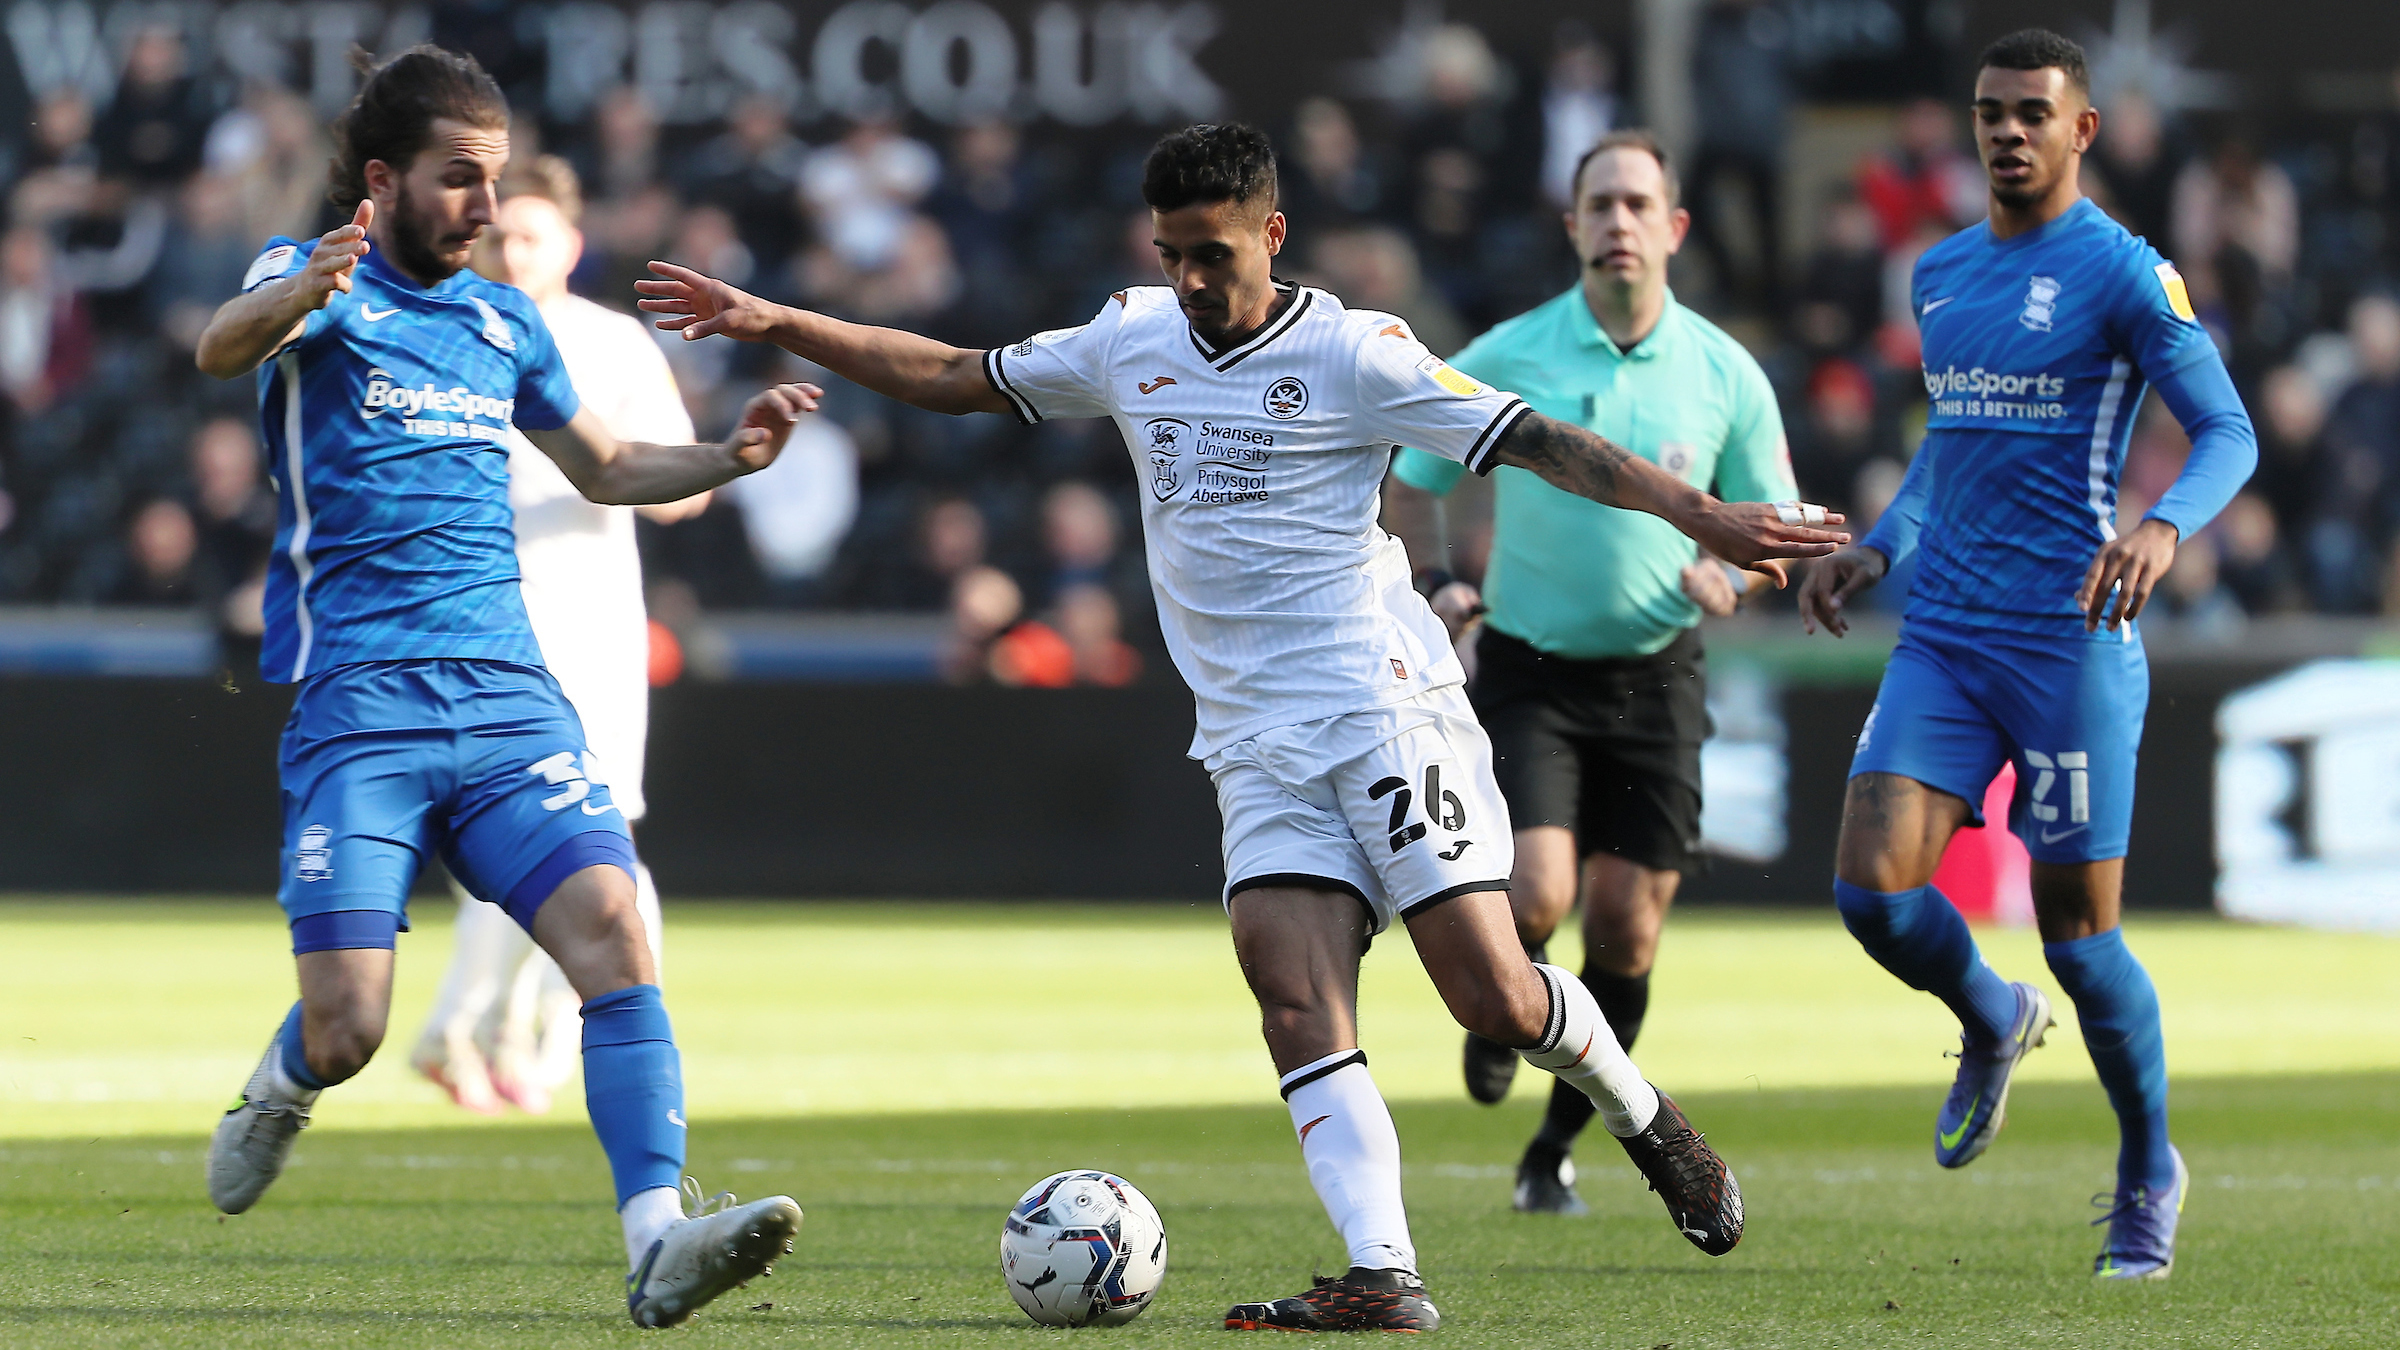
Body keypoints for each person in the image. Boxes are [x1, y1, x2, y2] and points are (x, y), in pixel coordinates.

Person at [640, 122, 1849, 1333]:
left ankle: (1644, 1116)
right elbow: (955, 371)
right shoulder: (1133, 338)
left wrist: (1706, 517)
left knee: (1489, 994)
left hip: (1380, 707)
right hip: (1250, 737)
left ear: (1272, 234)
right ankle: (1385, 1275)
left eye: (1212, 253)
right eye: (1170, 253)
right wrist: (776, 319)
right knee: (1290, 997)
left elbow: (1537, 441)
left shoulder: (1358, 352)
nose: (1191, 280)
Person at [192, 46, 812, 1328]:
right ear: (382, 181)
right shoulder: (312, 278)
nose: (486, 206)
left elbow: (602, 466)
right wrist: (298, 288)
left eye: (493, 178)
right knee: (352, 1024)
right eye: (459, 179)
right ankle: (288, 1079)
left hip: (507, 698)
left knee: (615, 931)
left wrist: (729, 455)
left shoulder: (505, 321)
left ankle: (658, 1235)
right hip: (358, 706)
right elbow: (217, 348)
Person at [1797, 30, 2257, 1281]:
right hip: (1943, 631)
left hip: (2067, 643)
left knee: (2081, 940)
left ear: (2081, 131)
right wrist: (1880, 550)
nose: (2007, 132)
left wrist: (2164, 524)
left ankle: (2147, 1168)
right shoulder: (1940, 273)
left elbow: (2227, 429)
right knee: (1873, 896)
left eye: (2032, 114)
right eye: (1991, 112)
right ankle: (1989, 1015)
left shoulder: (2124, 273)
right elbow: (1952, 449)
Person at [1389, 130, 1794, 1215]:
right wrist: (1441, 582)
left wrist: (1735, 576)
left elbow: (1775, 526)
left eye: (1636, 203)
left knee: (1629, 926)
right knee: (1541, 889)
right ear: (1572, 226)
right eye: (1598, 204)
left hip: (1659, 676)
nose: (1618, 221)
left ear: (1674, 228)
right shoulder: (1514, 350)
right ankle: (1500, 1003)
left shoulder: (1725, 372)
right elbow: (1411, 469)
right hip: (1532, 668)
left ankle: (1553, 1148)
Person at [407, 155, 707, 1119]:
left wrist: (675, 465)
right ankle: (491, 1034)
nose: (511, 249)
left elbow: (684, 491)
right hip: (469, 624)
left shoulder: (612, 348)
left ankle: (486, 1032)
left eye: (531, 234)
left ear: (573, 247)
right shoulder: (440, 336)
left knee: (588, 833)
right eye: (500, 233)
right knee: (522, 839)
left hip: (588, 627)